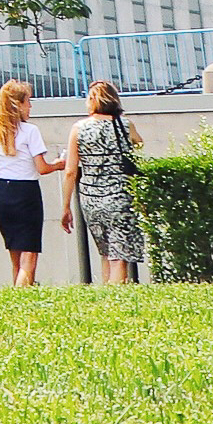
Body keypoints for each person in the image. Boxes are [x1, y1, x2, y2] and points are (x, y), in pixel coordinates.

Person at [0, 79, 64, 286]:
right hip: (26, 192)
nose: (31, 106)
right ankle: (22, 297)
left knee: (15, 257)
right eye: (28, 102)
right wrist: (59, 165)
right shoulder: (30, 131)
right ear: (19, 105)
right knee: (30, 255)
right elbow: (42, 168)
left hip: (4, 193)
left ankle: (19, 294)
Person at [62, 80, 147, 285]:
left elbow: (71, 171)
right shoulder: (125, 124)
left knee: (106, 250)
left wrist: (65, 206)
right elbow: (140, 142)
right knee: (120, 255)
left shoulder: (79, 128)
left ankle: (106, 295)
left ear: (92, 100)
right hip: (120, 196)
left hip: (91, 199)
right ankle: (117, 298)